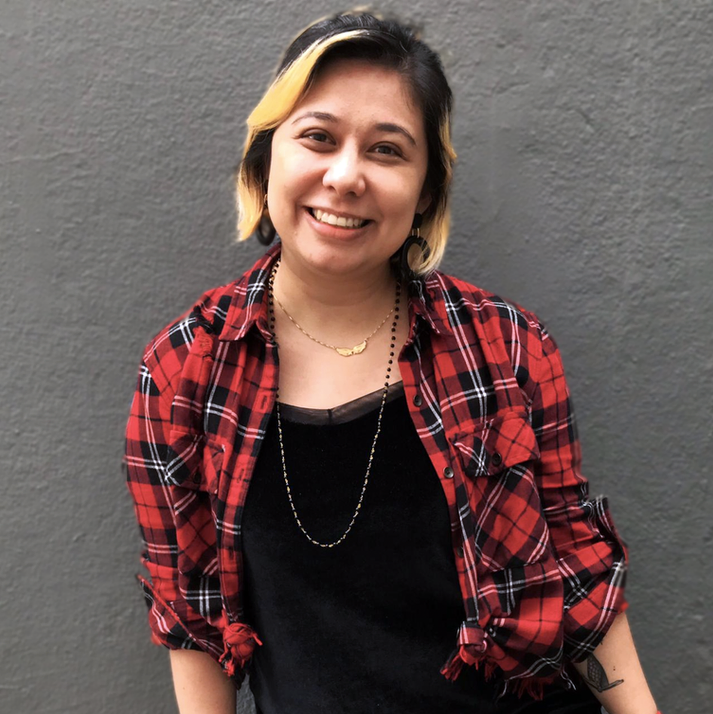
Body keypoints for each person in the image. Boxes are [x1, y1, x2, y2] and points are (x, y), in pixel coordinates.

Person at [124, 10, 660, 714]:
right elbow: (191, 620)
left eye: (386, 150)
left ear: (426, 190)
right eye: (318, 137)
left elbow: (579, 579)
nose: (345, 176)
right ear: (265, 156)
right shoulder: (184, 373)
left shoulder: (504, 346)